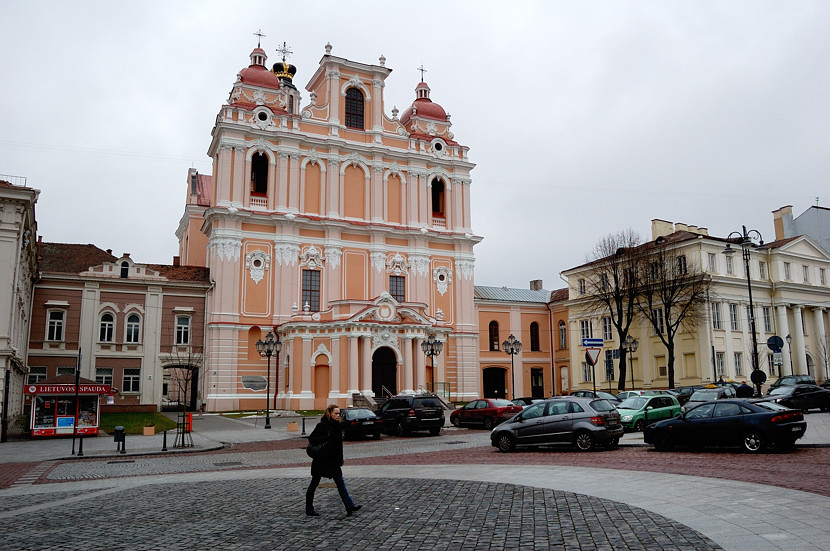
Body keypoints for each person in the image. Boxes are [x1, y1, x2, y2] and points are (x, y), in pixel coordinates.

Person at [306, 404, 361, 517]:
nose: (337, 415)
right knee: (314, 483)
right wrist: (327, 437)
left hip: (333, 461)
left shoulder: (338, 426)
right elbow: (312, 438)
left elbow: (338, 445)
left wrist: (340, 458)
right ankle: (309, 508)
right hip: (321, 461)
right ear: (329, 413)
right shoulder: (322, 425)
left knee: (340, 483)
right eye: (335, 413)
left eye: (338, 413)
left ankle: (349, 506)